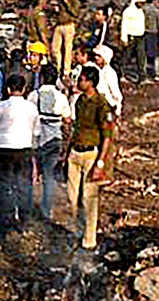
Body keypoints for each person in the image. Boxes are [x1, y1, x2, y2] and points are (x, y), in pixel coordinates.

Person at [0, 72, 39, 234]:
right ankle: (24, 221)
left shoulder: (2, 106)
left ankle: (3, 222)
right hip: (24, 150)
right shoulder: (31, 108)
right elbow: (36, 132)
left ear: (8, 89)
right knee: (24, 186)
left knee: (3, 186)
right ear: (24, 89)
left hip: (3, 150)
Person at [68, 65, 114, 252]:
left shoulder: (101, 104)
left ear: (91, 82)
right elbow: (76, 128)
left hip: (91, 155)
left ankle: (89, 239)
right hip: (75, 153)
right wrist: (67, 151)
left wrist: (101, 163)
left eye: (82, 79)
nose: (79, 82)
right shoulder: (79, 101)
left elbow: (108, 136)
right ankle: (76, 230)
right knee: (72, 198)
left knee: (90, 198)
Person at [32, 62, 72, 221]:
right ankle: (47, 209)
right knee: (49, 176)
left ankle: (26, 207)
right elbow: (67, 119)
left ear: (41, 78)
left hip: (37, 140)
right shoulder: (61, 97)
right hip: (54, 140)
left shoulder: (34, 96)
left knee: (32, 174)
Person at [50, 0, 82, 74]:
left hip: (68, 25)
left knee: (67, 48)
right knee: (55, 48)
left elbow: (75, 12)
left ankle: (66, 70)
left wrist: (67, 3)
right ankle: (59, 67)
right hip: (59, 24)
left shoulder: (74, 0)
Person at [120, 0, 147, 82]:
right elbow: (124, 25)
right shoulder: (128, 11)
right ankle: (122, 75)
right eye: (141, 2)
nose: (142, 4)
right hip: (130, 36)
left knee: (141, 57)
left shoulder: (140, 11)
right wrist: (124, 38)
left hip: (140, 36)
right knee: (126, 57)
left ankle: (142, 77)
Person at [93, 45, 124, 119]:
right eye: (96, 55)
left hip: (107, 104)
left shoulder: (109, 73)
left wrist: (117, 107)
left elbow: (115, 91)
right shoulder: (93, 68)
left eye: (99, 56)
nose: (96, 58)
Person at [143, 0, 159, 80]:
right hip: (154, 34)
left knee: (144, 53)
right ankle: (156, 73)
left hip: (144, 33)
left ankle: (143, 71)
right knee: (156, 54)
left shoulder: (143, 9)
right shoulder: (156, 11)